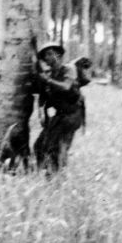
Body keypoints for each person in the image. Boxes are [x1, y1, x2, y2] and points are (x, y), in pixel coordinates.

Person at [33, 42, 85, 174]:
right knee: (40, 145)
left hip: (72, 115)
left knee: (60, 148)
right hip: (59, 115)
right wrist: (41, 113)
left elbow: (66, 86)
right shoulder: (49, 74)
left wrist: (47, 80)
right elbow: (43, 96)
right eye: (45, 55)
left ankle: (56, 177)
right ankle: (41, 171)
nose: (47, 57)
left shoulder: (69, 69)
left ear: (58, 55)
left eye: (50, 54)